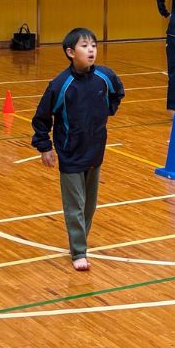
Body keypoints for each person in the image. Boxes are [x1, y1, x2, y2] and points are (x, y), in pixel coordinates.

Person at [31, 27, 125, 272]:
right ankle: (79, 251)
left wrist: (106, 110)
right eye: (84, 46)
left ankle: (80, 241)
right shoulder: (60, 85)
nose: (91, 50)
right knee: (75, 205)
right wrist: (45, 147)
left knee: (89, 206)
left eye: (93, 45)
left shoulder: (105, 76)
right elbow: (41, 118)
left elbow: (118, 92)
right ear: (70, 52)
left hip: (95, 151)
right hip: (70, 154)